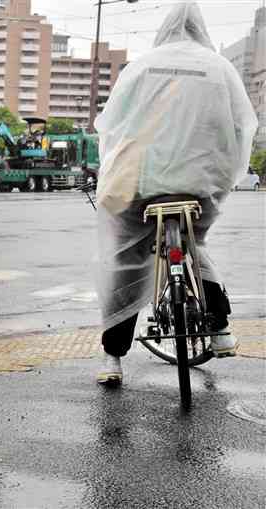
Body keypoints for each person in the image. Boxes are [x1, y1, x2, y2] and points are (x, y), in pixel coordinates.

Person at [92, 2, 257, 385]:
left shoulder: (142, 67)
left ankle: (111, 359)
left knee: (127, 260)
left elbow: (114, 125)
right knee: (194, 242)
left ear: (163, 30)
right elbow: (241, 126)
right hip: (201, 184)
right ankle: (220, 329)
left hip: (144, 184)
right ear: (202, 30)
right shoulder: (220, 68)